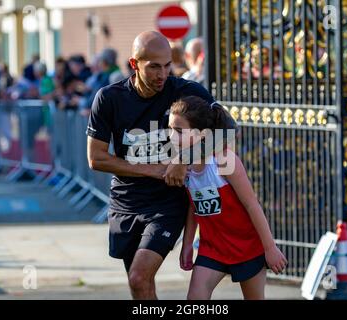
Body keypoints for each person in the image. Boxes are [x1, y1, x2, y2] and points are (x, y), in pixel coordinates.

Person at [86, 31, 235, 300]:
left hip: (168, 201)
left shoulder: (185, 91)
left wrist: (182, 159)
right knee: (140, 284)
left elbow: (227, 130)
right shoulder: (109, 98)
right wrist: (153, 169)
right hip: (126, 202)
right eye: (154, 67)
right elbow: (96, 158)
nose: (162, 74)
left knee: (139, 275)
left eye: (167, 65)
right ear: (134, 64)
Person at [169, 96, 288, 300]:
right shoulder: (182, 166)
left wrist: (270, 247)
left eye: (179, 131)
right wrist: (187, 243)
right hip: (212, 249)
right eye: (170, 128)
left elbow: (252, 205)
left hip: (247, 247)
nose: (172, 136)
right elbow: (194, 206)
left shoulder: (223, 160)